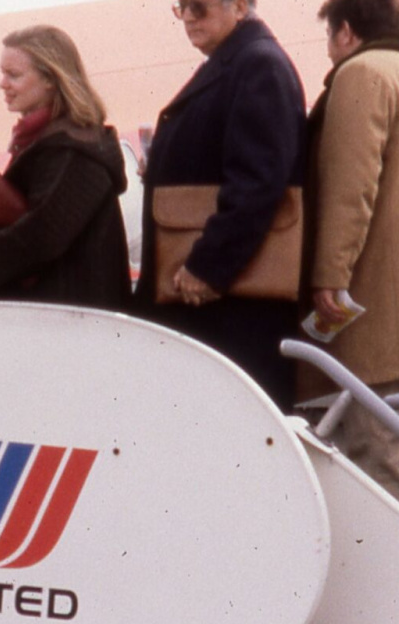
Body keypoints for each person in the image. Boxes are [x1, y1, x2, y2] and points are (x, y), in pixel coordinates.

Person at [133, 0, 306, 408]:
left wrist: (208, 267)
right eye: (181, 8)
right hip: (226, 307)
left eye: (200, 6)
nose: (189, 17)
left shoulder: (257, 65)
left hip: (231, 305)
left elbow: (258, 182)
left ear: (241, 6)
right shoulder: (240, 62)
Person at [0, 26, 130, 309]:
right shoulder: (51, 142)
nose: (3, 84)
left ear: (51, 78)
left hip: (75, 320)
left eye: (14, 75)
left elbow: (41, 236)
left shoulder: (71, 151)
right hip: (70, 312)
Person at [305, 0, 399, 495]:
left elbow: (351, 187)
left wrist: (331, 275)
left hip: (374, 300)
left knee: (375, 452)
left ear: (345, 32)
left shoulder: (362, 74)